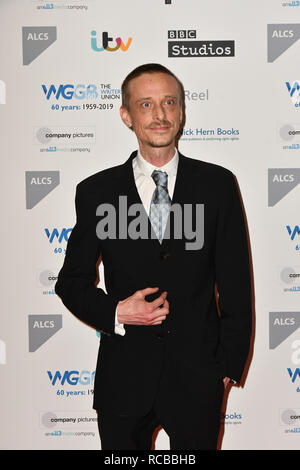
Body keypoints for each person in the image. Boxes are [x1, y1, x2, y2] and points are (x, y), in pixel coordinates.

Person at [55, 63, 252, 450]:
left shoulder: (218, 185)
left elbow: (237, 284)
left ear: (181, 112)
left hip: (198, 380)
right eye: (146, 104)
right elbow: (71, 281)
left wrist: (227, 368)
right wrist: (116, 312)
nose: (159, 115)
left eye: (169, 103)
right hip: (123, 378)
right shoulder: (97, 192)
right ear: (127, 116)